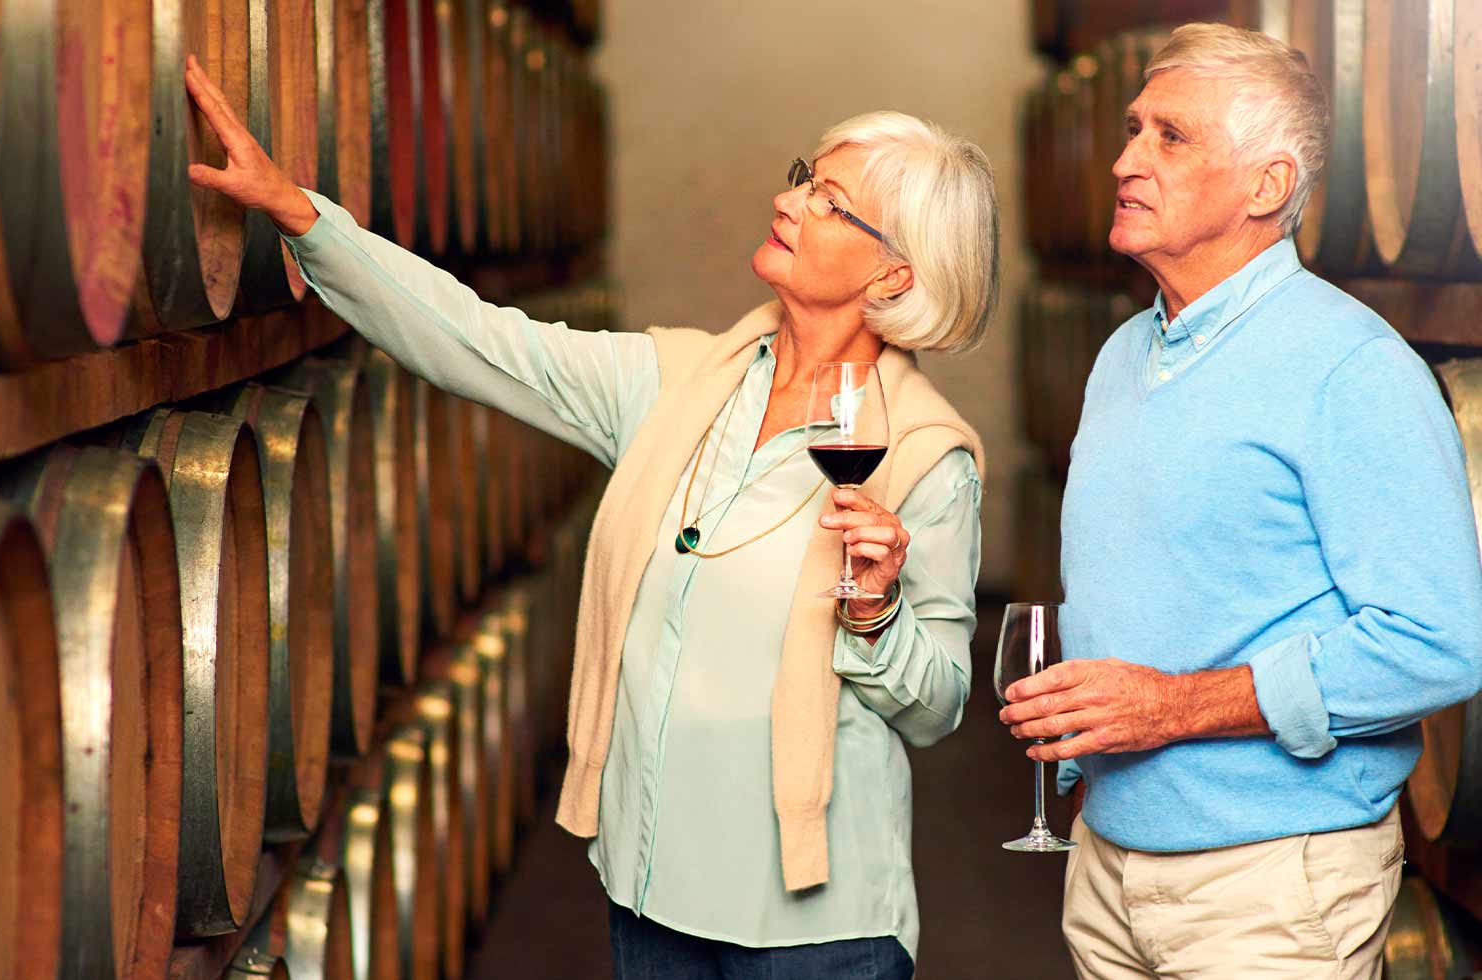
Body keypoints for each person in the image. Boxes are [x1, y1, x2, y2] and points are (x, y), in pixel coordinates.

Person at [183, 55, 999, 979]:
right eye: (805, 177)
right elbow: (480, 340)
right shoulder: (677, 381)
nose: (794, 201)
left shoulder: (927, 455)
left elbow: (937, 707)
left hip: (814, 930)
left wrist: (875, 610)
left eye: (831, 201)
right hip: (650, 884)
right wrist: (300, 214)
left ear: (893, 276)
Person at [997, 22, 1482, 979]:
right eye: (1133, 128)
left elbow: (1437, 642)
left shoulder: (1352, 368)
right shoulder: (1123, 355)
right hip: (1108, 869)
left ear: (1267, 185)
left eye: (1170, 137)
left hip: (1269, 888)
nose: (1127, 158)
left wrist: (1173, 709)